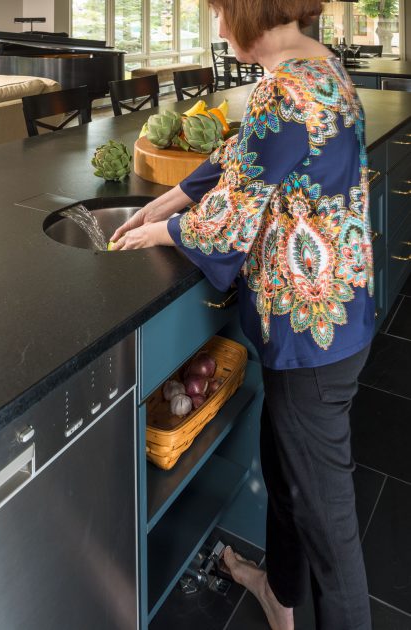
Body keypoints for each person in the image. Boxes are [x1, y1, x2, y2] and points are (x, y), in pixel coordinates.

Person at [110, 1, 374, 628]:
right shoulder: (324, 71)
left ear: (252, 14)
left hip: (313, 347)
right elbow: (248, 159)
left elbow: (229, 224)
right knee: (285, 481)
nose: (220, 29)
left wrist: (167, 229)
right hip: (336, 323)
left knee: (331, 538)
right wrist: (171, 198)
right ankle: (280, 599)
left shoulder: (281, 94)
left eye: (223, 14)